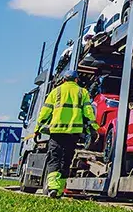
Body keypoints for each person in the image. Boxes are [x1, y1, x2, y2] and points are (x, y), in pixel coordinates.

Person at [35, 69, 96, 198]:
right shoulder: (82, 92)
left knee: (54, 158)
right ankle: (60, 189)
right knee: (66, 160)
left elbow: (45, 112)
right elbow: (88, 112)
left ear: (63, 80)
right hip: (73, 133)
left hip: (56, 132)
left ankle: (52, 187)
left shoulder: (55, 92)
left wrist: (38, 129)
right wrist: (93, 128)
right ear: (76, 80)